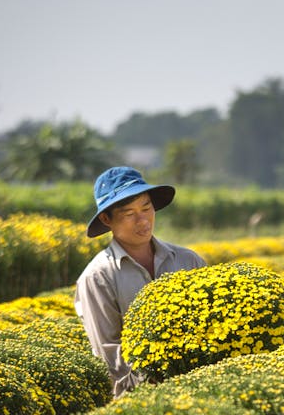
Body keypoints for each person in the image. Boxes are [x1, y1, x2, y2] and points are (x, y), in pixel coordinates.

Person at [74, 166, 205, 398]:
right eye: (129, 213)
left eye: (146, 208)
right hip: (140, 399)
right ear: (106, 219)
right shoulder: (97, 277)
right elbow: (110, 355)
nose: (143, 220)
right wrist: (160, 380)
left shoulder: (188, 260)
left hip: (202, 387)